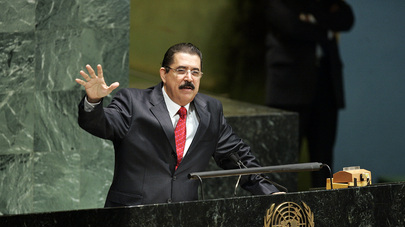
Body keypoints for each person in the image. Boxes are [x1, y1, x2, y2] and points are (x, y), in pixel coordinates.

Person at [76, 43, 283, 207]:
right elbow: (102, 124)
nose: (189, 78)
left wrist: (270, 192)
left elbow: (238, 157)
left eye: (195, 72)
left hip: (183, 224)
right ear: (164, 74)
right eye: (181, 70)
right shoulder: (133, 102)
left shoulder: (211, 110)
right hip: (132, 218)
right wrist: (93, 102)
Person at [264, 0, 354, 188]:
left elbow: (347, 18)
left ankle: (323, 215)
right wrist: (326, 30)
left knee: (324, 164)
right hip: (289, 90)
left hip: (326, 89)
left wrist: (312, 18)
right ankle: (278, 214)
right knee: (283, 165)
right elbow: (292, 26)